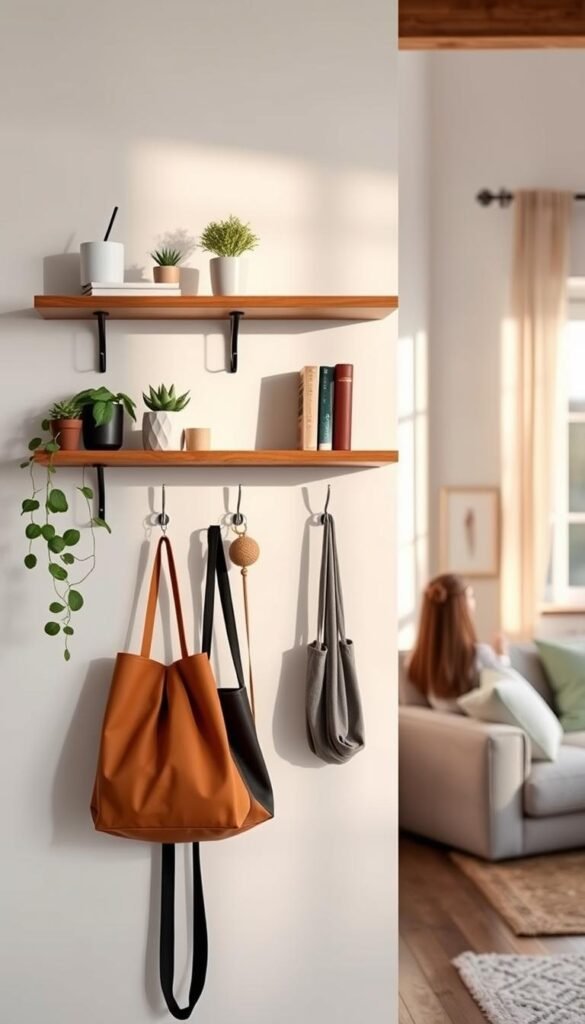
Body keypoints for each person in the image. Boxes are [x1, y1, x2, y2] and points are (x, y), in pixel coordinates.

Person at [407, 573, 508, 713]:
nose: (474, 602)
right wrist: (502, 656)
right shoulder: (479, 655)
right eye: (471, 596)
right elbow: (506, 691)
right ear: (461, 605)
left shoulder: (418, 661)